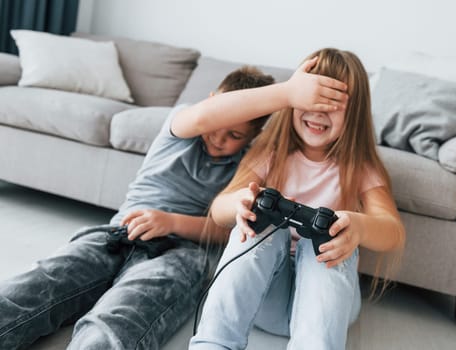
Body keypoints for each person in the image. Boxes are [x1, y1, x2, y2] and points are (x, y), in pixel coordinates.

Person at [0, 66, 284, 350]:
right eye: (217, 123)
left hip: (183, 252)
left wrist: (171, 222)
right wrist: (287, 92)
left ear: (253, 136)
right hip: (118, 232)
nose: (219, 138)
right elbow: (203, 118)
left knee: (119, 320)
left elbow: (227, 233)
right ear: (209, 103)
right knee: (38, 286)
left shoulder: (252, 164)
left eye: (234, 135)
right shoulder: (183, 123)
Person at [189, 48, 406, 350]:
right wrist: (240, 202)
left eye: (332, 103)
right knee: (257, 217)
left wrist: (358, 226)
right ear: (293, 100)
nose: (318, 112)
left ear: (354, 112)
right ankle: (213, 344)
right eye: (312, 99)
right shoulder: (270, 153)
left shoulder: (362, 169)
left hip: (328, 308)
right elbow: (219, 209)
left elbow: (392, 231)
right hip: (265, 298)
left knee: (329, 232)